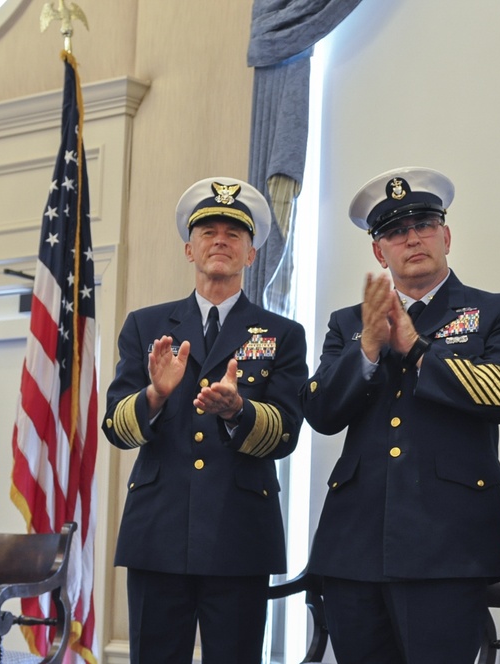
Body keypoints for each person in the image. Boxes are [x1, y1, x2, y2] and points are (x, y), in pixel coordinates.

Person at [301, 166, 500, 664]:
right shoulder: (350, 324)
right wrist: (367, 347)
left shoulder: (497, 311)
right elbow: (320, 411)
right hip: (353, 545)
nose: (412, 238)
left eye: (424, 225)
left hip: (447, 545)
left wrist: (412, 347)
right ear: (377, 250)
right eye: (394, 231)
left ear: (446, 235)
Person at [102, 177, 308, 664]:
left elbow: (286, 433)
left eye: (234, 233)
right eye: (209, 231)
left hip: (239, 531)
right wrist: (154, 394)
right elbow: (115, 426)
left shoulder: (283, 333)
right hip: (159, 530)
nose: (221, 240)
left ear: (251, 254)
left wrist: (238, 411)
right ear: (189, 249)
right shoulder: (147, 326)